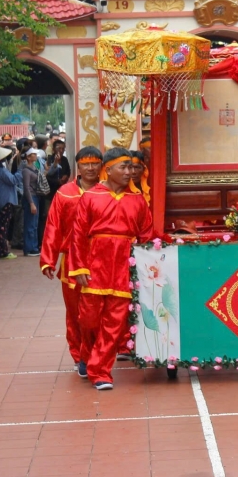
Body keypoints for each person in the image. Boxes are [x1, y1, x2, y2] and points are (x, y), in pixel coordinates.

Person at [67, 148, 154, 390]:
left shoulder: (138, 200)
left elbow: (146, 236)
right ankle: (88, 353)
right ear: (109, 169)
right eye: (123, 168)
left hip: (123, 266)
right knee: (89, 319)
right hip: (95, 264)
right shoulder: (90, 197)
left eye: (132, 168)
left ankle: (100, 370)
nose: (129, 173)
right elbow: (78, 235)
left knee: (115, 320)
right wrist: (79, 267)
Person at [41, 146, 103, 376]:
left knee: (98, 311)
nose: (90, 167)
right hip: (72, 263)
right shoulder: (64, 193)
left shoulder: (106, 191)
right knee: (75, 313)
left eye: (94, 162)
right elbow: (53, 227)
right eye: (85, 163)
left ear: (101, 165)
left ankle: (96, 353)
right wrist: (48, 259)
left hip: (101, 260)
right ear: (78, 165)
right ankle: (81, 357)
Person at [0, 144, 19, 259]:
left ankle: (0, 250)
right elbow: (13, 180)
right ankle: (2, 251)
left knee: (1, 225)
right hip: (6, 199)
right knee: (3, 226)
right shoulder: (1, 170)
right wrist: (21, 171)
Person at [21, 148, 49, 255]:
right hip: (31, 197)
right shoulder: (26, 171)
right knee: (30, 223)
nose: (35, 156)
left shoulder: (33, 168)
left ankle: (33, 246)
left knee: (34, 223)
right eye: (33, 154)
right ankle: (29, 248)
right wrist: (31, 203)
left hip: (36, 196)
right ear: (28, 157)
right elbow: (26, 188)